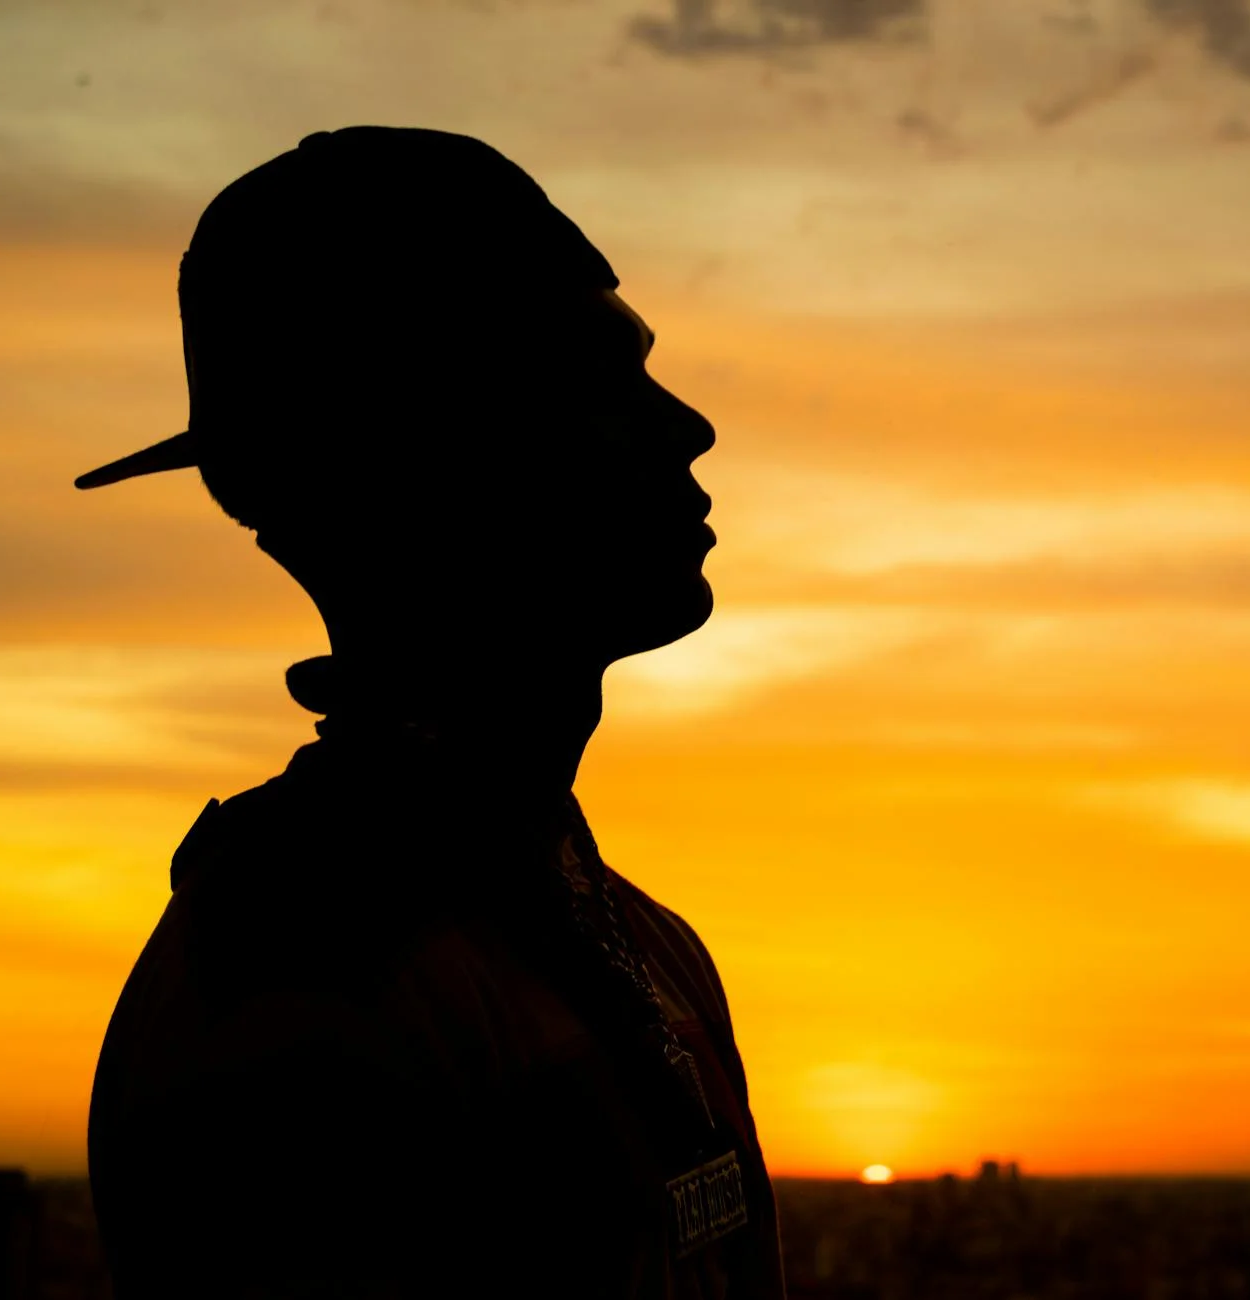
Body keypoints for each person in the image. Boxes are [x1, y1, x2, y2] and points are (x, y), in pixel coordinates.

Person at [80, 126, 785, 1298]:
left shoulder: (623, 939)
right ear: (432, 462)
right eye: (600, 380)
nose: (686, 426)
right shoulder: (304, 990)